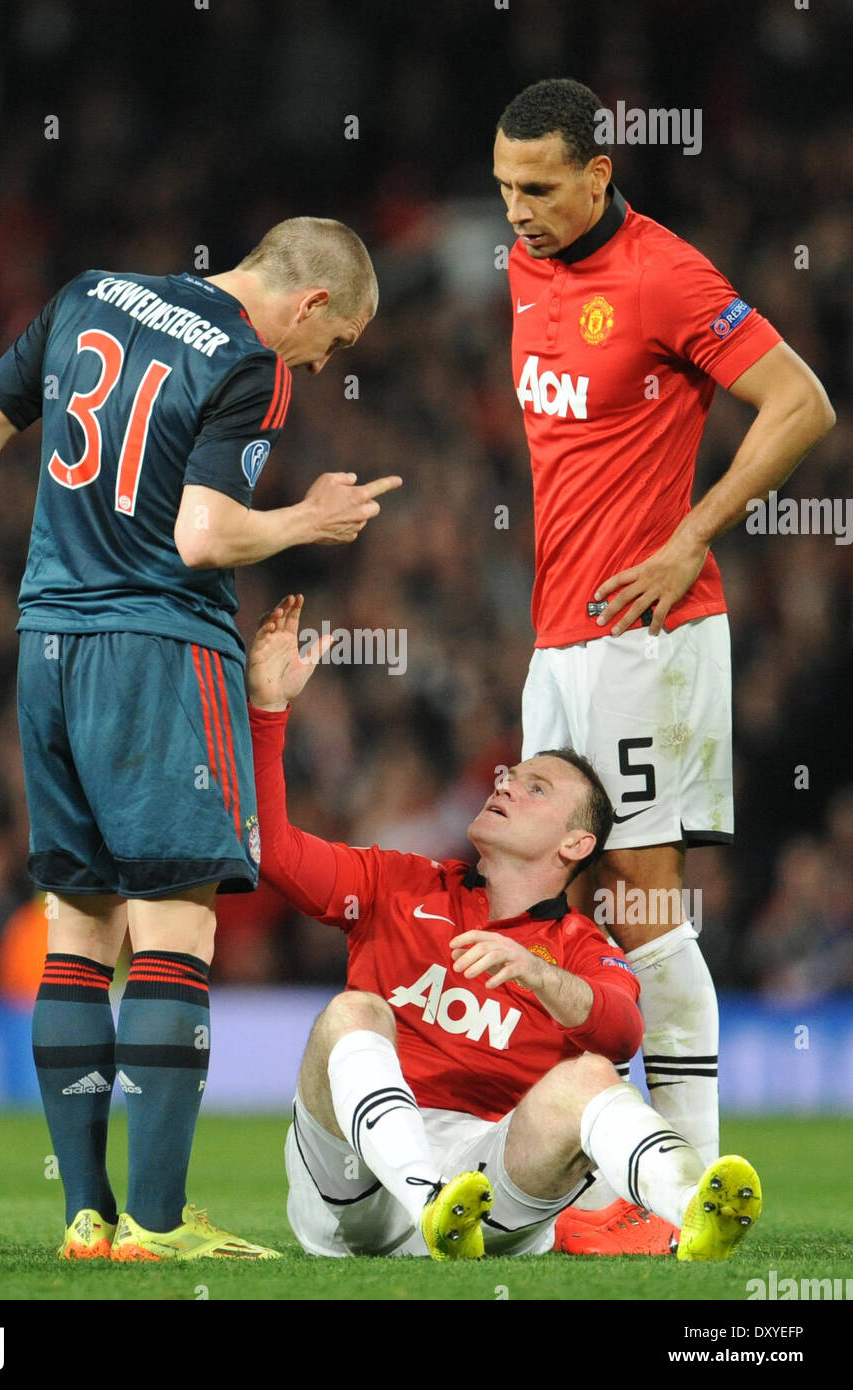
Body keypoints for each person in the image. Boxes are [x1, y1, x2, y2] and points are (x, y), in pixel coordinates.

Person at [0, 217, 401, 1262]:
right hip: (158, 652)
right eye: (333, 341)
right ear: (308, 305)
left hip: (49, 648)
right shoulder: (250, 361)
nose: (322, 361)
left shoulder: (88, 293)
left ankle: (86, 1213)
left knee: (77, 929)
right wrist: (307, 517)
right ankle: (157, 1224)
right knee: (175, 932)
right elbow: (203, 534)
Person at [492, 79, 834, 1253]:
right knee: (571, 913)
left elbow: (801, 402)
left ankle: (682, 1191)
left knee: (641, 901)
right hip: (557, 641)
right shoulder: (522, 266)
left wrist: (689, 535)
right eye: (503, 187)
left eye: (537, 188)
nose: (517, 211)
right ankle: (606, 1181)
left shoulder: (663, 275)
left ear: (597, 173)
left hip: (648, 634)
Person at [244, 593, 761, 1261]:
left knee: (589, 1077)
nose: (506, 784)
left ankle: (697, 1208)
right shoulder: (396, 883)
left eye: (535, 787)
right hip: (355, 1190)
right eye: (511, 775)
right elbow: (273, 851)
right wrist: (267, 710)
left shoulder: (582, 950)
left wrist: (541, 976)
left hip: (486, 1184)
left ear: (576, 844)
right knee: (351, 1014)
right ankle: (429, 1197)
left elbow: (622, 1032)